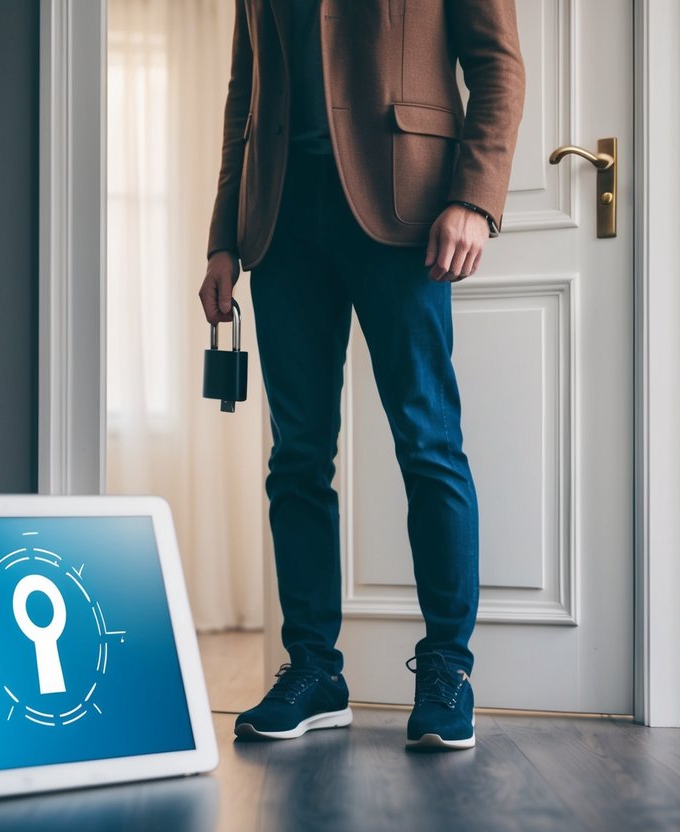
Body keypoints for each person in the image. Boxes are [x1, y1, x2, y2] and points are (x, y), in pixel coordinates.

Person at [199, 0, 524, 751]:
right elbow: (242, 96)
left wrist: (474, 197)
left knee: (428, 443)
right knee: (297, 458)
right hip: (279, 222)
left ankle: (447, 671)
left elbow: (498, 66)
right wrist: (223, 236)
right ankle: (314, 671)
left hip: (404, 213)